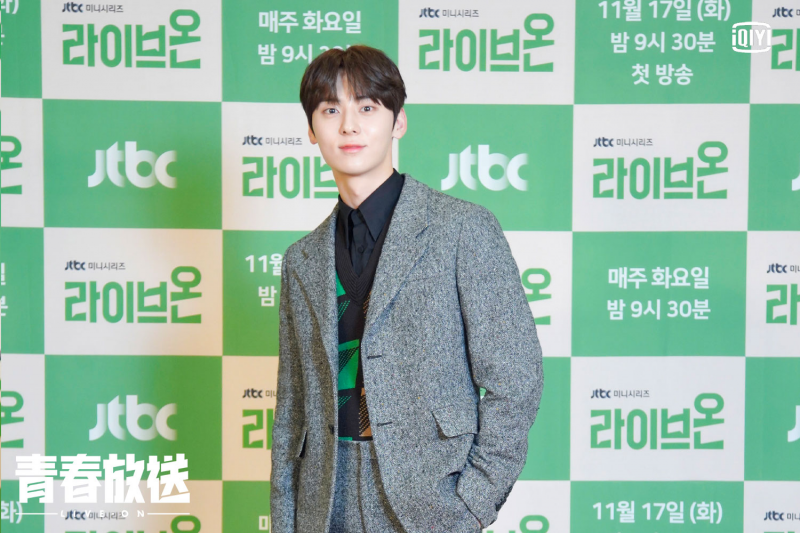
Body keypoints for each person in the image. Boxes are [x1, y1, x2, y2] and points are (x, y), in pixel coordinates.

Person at [270, 44, 544, 533]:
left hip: (429, 499)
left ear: (398, 122)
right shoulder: (301, 259)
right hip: (323, 503)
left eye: (366, 108)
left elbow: (516, 379)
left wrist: (471, 504)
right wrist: (287, 520)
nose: (348, 126)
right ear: (311, 130)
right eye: (330, 110)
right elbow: (293, 410)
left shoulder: (461, 229)